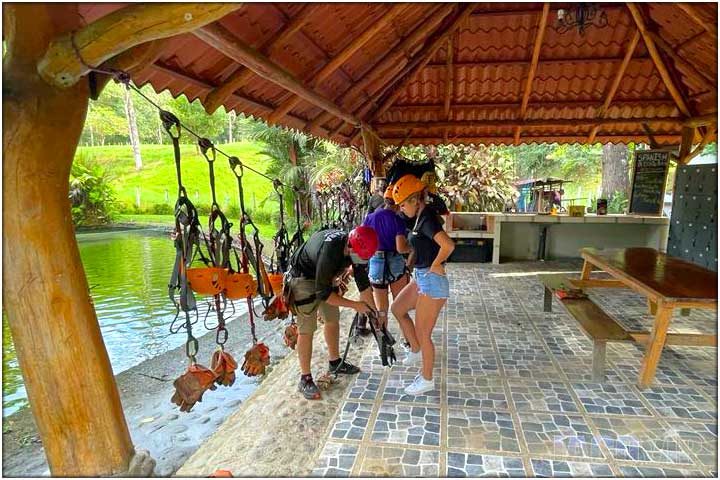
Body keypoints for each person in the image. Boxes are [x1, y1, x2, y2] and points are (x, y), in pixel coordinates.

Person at [286, 226, 379, 399]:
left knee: (332, 318)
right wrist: (356, 305)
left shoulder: (355, 246)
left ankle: (335, 362)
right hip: (303, 278)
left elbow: (363, 284)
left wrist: (373, 313)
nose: (360, 261)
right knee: (307, 328)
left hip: (325, 277)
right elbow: (324, 294)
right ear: (350, 248)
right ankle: (305, 378)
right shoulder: (330, 251)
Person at [390, 175, 455, 395]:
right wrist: (412, 263)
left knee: (423, 333)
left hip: (432, 281)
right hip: (421, 276)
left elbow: (448, 245)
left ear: (415, 199)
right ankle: (415, 350)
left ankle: (427, 379)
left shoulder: (427, 218)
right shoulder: (418, 217)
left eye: (402, 204)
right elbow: (420, 246)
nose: (400, 208)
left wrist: (436, 264)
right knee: (397, 309)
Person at [362, 185, 411, 332]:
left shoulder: (369, 218)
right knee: (400, 306)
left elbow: (364, 241)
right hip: (395, 261)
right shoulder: (398, 220)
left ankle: (383, 344)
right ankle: (410, 342)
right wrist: (412, 248)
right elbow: (400, 247)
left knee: (381, 309)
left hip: (376, 261)